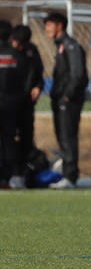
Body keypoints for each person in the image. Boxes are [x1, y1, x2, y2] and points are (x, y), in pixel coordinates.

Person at [44, 12, 88, 190]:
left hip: (68, 102)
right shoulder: (60, 46)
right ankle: (66, 173)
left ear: (59, 25)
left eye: (49, 24)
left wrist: (67, 95)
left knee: (68, 137)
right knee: (62, 137)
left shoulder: (71, 46)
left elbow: (78, 75)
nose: (46, 28)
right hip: (61, 100)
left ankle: (70, 176)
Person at [9, 24, 44, 189]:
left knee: (26, 139)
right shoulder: (7, 52)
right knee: (9, 139)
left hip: (26, 104)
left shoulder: (32, 52)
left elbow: (39, 74)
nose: (18, 46)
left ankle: (23, 173)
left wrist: (38, 86)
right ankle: (10, 174)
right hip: (9, 104)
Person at [0, 20, 27, 189]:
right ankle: (10, 176)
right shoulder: (17, 56)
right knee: (9, 141)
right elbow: (23, 81)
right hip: (12, 106)